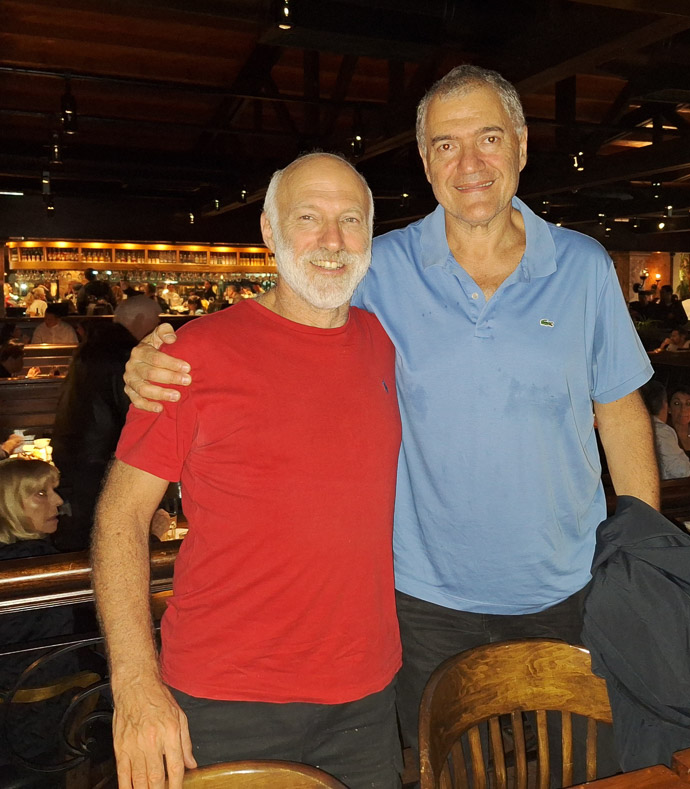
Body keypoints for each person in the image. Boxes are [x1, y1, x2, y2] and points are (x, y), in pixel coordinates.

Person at [121, 65, 659, 758]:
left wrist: (645, 556)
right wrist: (157, 353)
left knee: (581, 766)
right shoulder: (379, 267)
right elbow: (298, 298)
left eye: (489, 138)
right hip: (424, 604)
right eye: (445, 145)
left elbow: (620, 413)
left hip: (572, 589)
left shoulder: (584, 265)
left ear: (522, 145)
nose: (469, 163)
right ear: (426, 163)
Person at [93, 153, 402, 789]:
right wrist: (135, 684)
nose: (332, 240)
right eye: (308, 218)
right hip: (224, 698)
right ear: (269, 230)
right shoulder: (192, 355)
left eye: (350, 220)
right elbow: (120, 516)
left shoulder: (381, 342)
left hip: (365, 696)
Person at [51, 297, 162, 552]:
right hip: (100, 458)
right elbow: (136, 414)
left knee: (85, 527)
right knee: (106, 531)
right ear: (141, 320)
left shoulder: (92, 347)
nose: (158, 329)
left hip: (74, 449)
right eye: (156, 322)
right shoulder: (125, 355)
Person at [0, 458, 79, 765]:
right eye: (42, 494)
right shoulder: (39, 567)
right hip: (33, 726)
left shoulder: (20, 557)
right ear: (9, 505)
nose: (58, 501)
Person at [641, 381, 690, 479]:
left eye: (688, 404)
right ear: (668, 407)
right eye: (677, 403)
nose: (683, 409)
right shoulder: (663, 432)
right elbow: (689, 477)